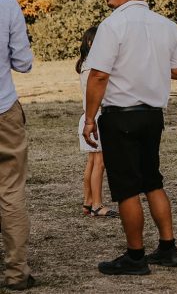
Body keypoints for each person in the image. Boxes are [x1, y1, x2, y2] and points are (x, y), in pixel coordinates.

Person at [82, 0, 177, 275]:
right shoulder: (167, 26)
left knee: (127, 188)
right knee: (152, 180)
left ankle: (136, 256)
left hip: (121, 115)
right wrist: (148, 65)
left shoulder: (113, 25)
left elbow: (98, 75)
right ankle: (167, 247)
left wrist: (88, 119)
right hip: (152, 115)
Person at [0, 0, 35, 290]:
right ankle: (15, 272)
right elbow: (24, 63)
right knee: (10, 192)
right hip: (3, 110)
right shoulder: (8, 7)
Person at [77, 26, 118, 218]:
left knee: (92, 162)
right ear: (91, 43)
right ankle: (97, 204)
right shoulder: (93, 68)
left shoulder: (84, 65)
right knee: (99, 163)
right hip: (96, 117)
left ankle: (87, 201)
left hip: (86, 116)